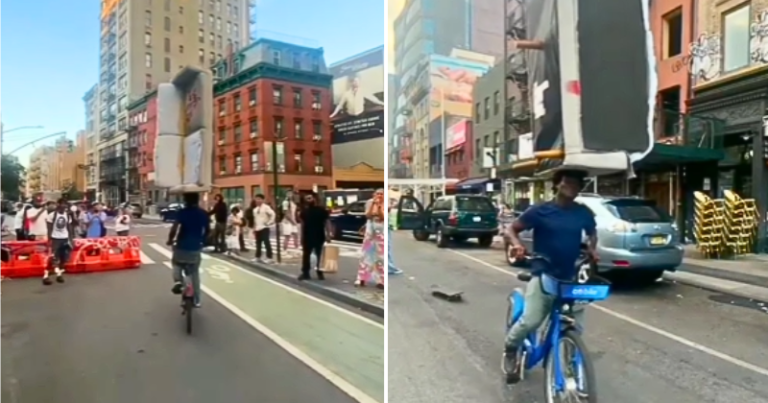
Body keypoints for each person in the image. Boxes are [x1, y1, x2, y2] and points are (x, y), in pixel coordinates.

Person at [503, 169, 599, 381]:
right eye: (567, 182)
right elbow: (511, 229)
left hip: (569, 278)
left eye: (577, 183)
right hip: (543, 273)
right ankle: (510, 348)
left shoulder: (583, 212)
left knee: (575, 327)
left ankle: (569, 362)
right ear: (557, 184)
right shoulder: (540, 210)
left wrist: (592, 248)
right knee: (530, 321)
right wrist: (517, 245)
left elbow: (592, 232)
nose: (572, 186)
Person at [167, 192, 209, 307]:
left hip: (181, 246)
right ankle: (197, 300)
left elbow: (174, 228)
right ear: (197, 200)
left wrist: (170, 240)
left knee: (176, 264)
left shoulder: (182, 213)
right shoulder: (203, 214)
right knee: (194, 272)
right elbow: (207, 230)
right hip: (195, 247)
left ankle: (178, 281)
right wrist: (203, 241)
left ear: (185, 201)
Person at [298, 192, 331, 281]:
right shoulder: (304, 212)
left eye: (310, 198)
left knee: (320, 255)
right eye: (307, 198)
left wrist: (328, 234)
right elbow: (302, 225)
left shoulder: (322, 210)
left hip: (319, 235)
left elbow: (327, 222)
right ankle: (305, 273)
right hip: (307, 235)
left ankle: (320, 272)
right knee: (306, 255)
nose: (308, 200)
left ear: (314, 199)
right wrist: (301, 237)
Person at [356, 189, 386, 288]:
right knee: (365, 253)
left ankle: (381, 280)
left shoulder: (385, 203)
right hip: (370, 227)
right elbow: (368, 215)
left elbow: (383, 217)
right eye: (377, 194)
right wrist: (373, 204)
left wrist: (379, 206)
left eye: (381, 194)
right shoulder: (369, 202)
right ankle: (362, 278)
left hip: (380, 228)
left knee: (380, 255)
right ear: (374, 194)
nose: (379, 196)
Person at [43, 198, 74, 285]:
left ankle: (58, 274)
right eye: (62, 204)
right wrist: (49, 239)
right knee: (53, 258)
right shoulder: (52, 215)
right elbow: (49, 228)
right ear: (58, 205)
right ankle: (50, 275)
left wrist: (71, 240)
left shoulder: (67, 216)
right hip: (55, 239)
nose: (64, 206)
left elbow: (69, 228)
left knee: (64, 259)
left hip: (64, 238)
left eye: (65, 204)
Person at [252, 194, 275, 263]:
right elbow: (255, 219)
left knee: (266, 242)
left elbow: (273, 214)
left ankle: (269, 257)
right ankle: (257, 257)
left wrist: (269, 222)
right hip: (258, 228)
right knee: (258, 243)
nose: (258, 200)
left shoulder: (266, 207)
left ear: (263, 200)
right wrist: (254, 228)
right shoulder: (255, 209)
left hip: (265, 227)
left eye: (259, 199)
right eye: (256, 199)